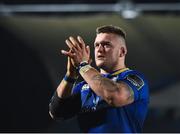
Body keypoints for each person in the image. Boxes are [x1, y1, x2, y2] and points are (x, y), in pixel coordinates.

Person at [49, 25, 149, 133]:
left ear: (122, 51)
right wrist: (70, 76)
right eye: (96, 45)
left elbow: (115, 96)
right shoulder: (84, 86)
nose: (99, 50)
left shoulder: (134, 78)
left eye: (106, 45)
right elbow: (57, 113)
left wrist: (83, 66)